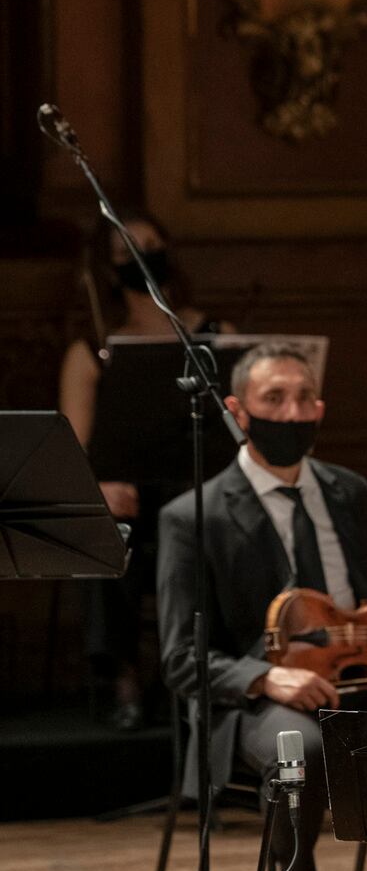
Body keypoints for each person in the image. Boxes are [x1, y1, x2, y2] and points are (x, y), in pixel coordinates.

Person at [157, 342, 367, 871]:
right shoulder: (193, 516)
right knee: (303, 746)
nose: (292, 414)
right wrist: (267, 678)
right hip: (252, 702)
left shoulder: (350, 493)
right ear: (237, 411)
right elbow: (181, 658)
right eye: (273, 400)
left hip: (360, 680)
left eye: (304, 399)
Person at [59, 211, 231, 729]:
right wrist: (100, 488)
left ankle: (205, 675)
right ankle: (124, 675)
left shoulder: (216, 336)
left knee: (213, 521)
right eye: (127, 250)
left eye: (152, 244)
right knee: (105, 530)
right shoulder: (93, 348)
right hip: (124, 496)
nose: (143, 256)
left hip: (197, 489)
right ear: (110, 269)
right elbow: (69, 450)